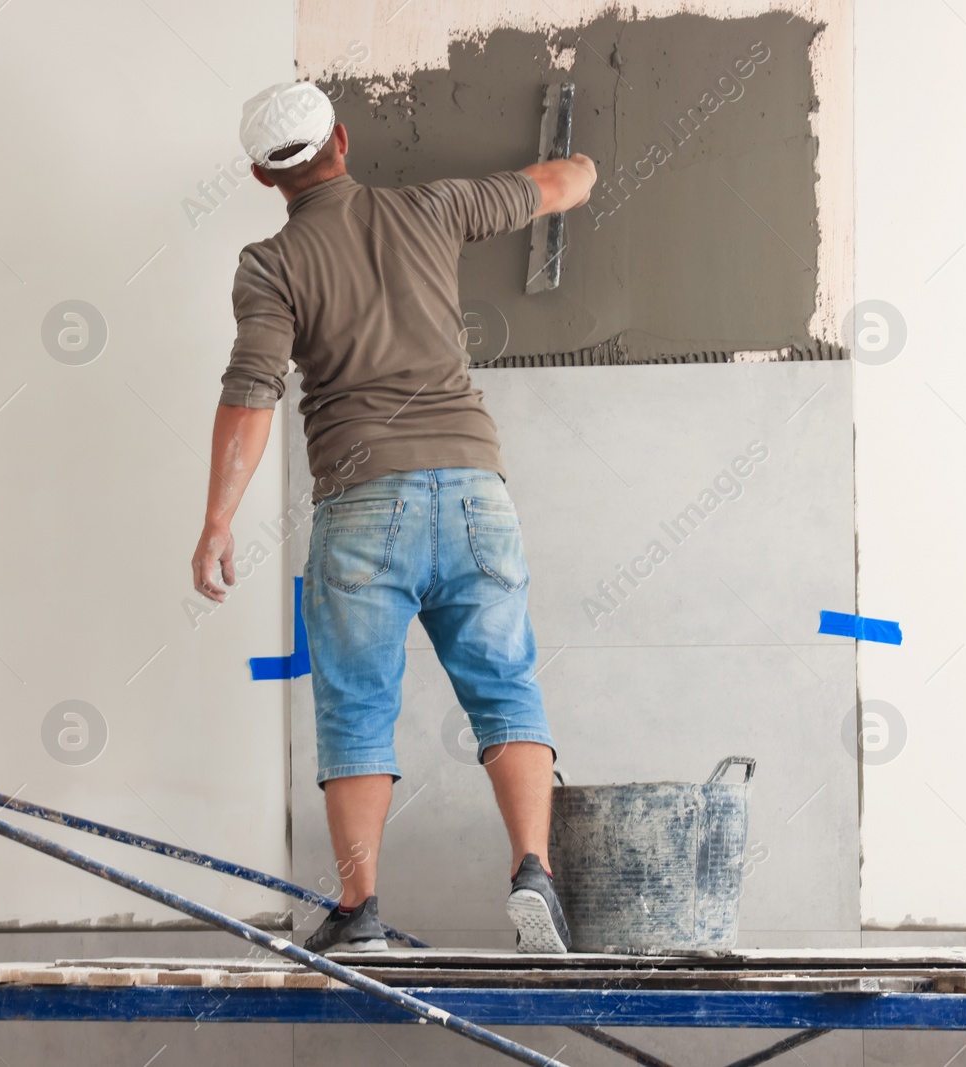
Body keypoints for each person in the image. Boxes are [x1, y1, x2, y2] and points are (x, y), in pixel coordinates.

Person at [191, 81, 596, 954]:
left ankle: (362, 909)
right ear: (343, 139)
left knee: (356, 712)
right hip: (477, 490)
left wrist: (220, 519)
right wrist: (585, 167)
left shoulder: (270, 264)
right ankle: (535, 874)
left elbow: (252, 391)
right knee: (507, 690)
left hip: (363, 502)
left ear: (265, 177)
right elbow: (557, 182)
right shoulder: (435, 207)